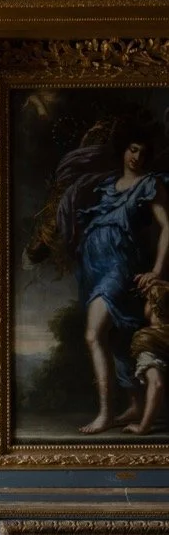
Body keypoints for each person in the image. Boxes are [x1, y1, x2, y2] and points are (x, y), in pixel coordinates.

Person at [65, 127, 169, 433]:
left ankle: (106, 413)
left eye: (143, 153)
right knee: (116, 337)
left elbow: (168, 228)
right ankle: (135, 405)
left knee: (93, 334)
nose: (137, 157)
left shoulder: (150, 184)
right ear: (124, 150)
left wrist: (158, 271)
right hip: (93, 268)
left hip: (120, 267)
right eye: (132, 149)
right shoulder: (108, 186)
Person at [124, 281, 169, 435]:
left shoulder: (147, 340)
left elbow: (156, 384)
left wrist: (143, 427)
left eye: (147, 302)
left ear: (152, 306)